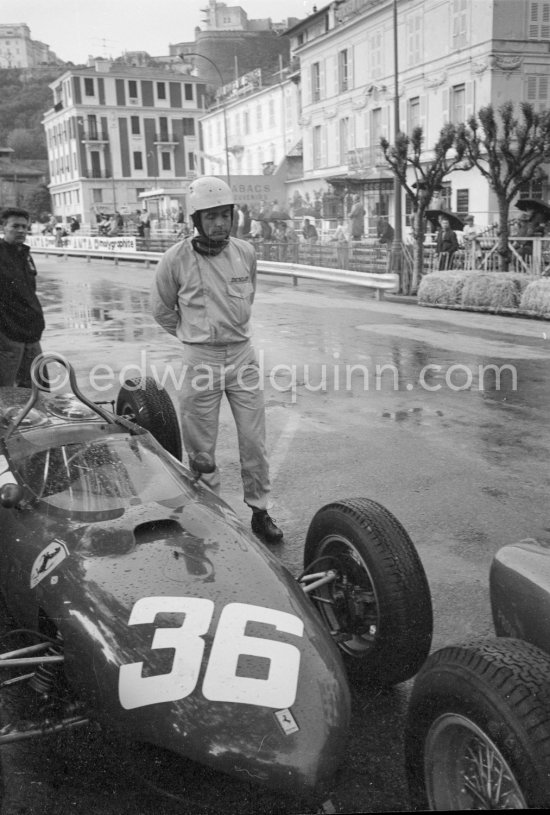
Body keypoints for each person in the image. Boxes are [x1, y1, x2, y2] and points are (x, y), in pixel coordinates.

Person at [151, 176, 283, 544]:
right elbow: (161, 309)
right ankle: (213, 517)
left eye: (225, 215)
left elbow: (248, 296)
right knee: (201, 448)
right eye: (210, 217)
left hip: (242, 356)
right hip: (201, 360)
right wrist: (193, 338)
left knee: (254, 440)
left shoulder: (245, 252)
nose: (219, 224)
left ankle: (260, 511)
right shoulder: (175, 259)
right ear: (196, 219)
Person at [0, 207, 48, 389]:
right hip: (7, 334)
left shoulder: (25, 254)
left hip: (30, 331)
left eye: (24, 227)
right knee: (5, 389)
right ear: (4, 226)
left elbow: (30, 292)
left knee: (38, 385)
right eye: (15, 226)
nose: (21, 230)